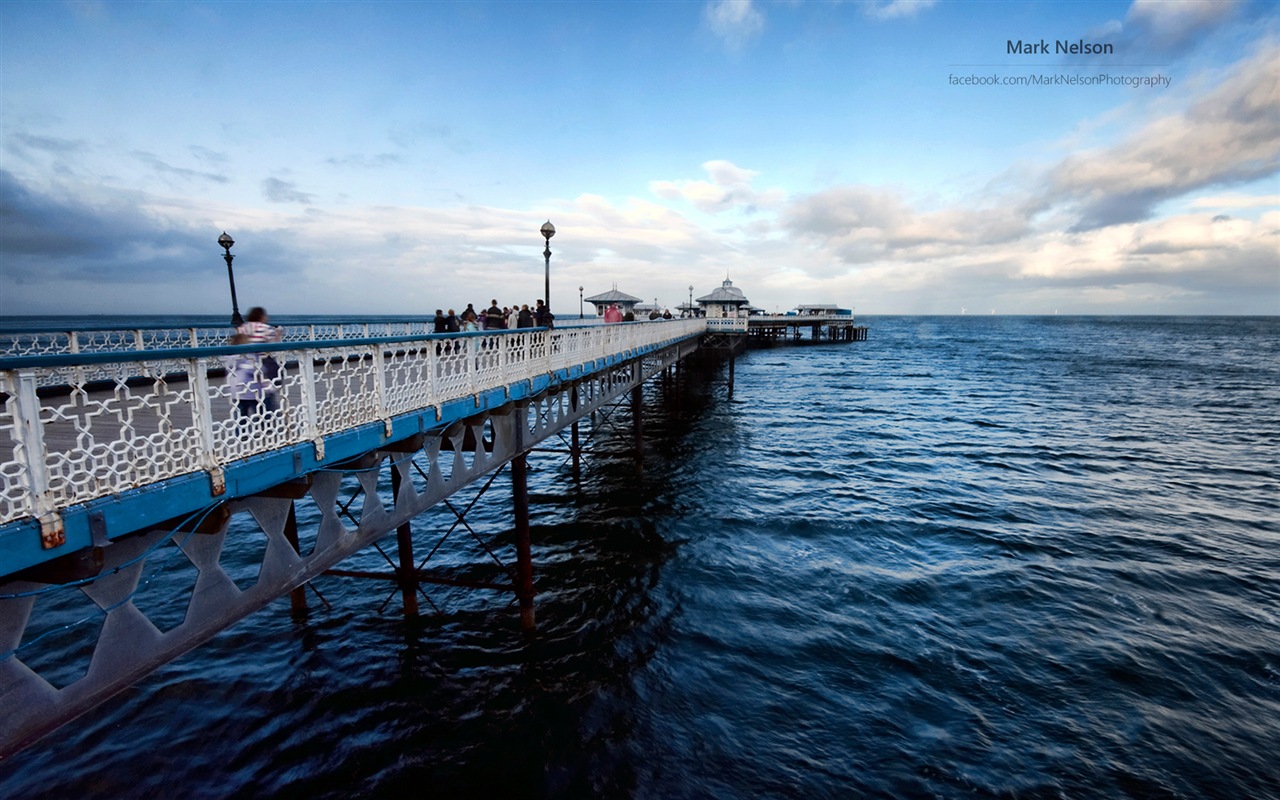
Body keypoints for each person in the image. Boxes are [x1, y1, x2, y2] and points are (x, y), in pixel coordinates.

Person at [225, 332, 277, 416]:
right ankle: (265, 426)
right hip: (251, 389)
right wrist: (264, 370)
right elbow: (255, 369)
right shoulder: (249, 355)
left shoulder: (229, 356)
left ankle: (239, 428)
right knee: (262, 411)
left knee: (240, 414)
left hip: (235, 389)